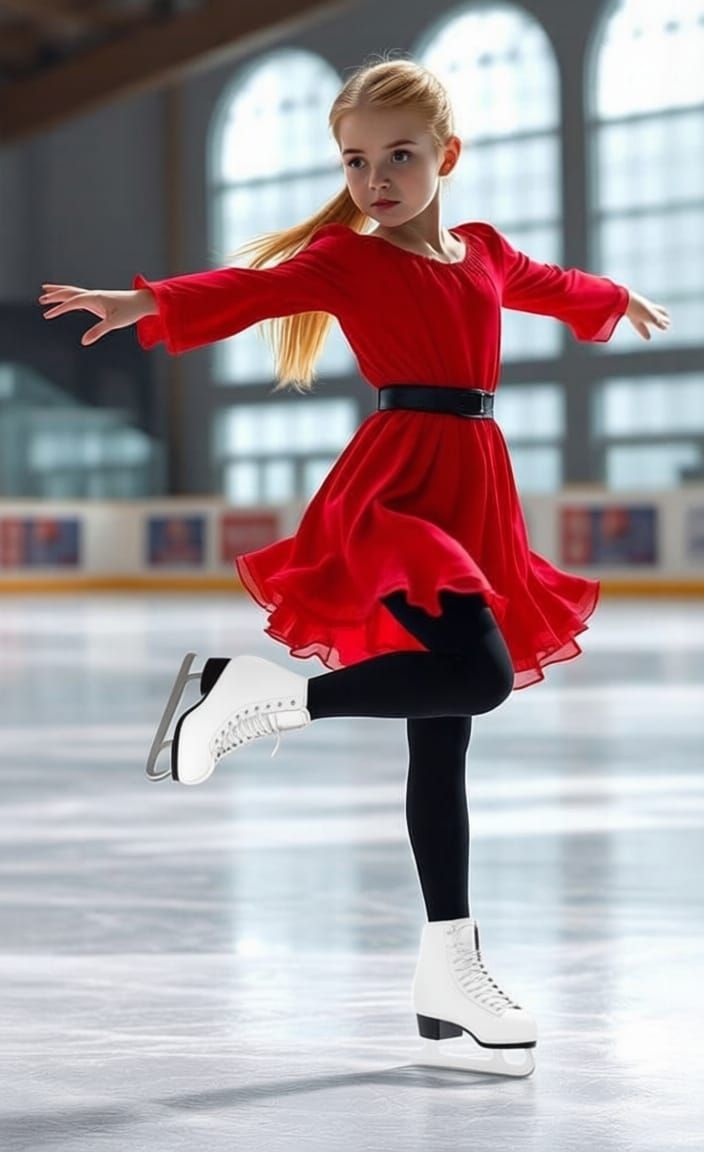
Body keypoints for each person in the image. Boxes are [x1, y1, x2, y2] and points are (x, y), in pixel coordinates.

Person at [38, 57, 670, 1076]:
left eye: (398, 156)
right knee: (479, 673)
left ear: (445, 158)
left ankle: (446, 969)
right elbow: (251, 288)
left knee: (443, 743)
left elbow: (554, 289)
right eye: (355, 159)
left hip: (475, 486)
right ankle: (254, 698)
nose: (375, 177)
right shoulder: (347, 258)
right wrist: (142, 302)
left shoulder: (483, 254)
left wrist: (616, 296)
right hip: (393, 490)